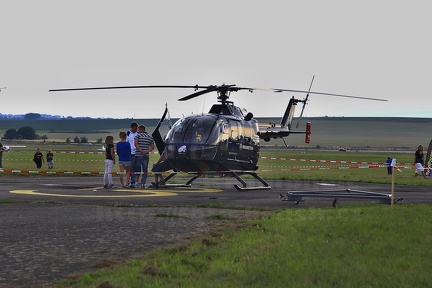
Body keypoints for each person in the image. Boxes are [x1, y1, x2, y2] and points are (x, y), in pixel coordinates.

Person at [126, 122, 139, 188]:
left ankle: (136, 181)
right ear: (132, 127)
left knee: (137, 167)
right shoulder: (128, 133)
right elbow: (126, 142)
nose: (136, 129)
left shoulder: (138, 133)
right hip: (131, 153)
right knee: (131, 168)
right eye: (135, 128)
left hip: (137, 152)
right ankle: (132, 181)